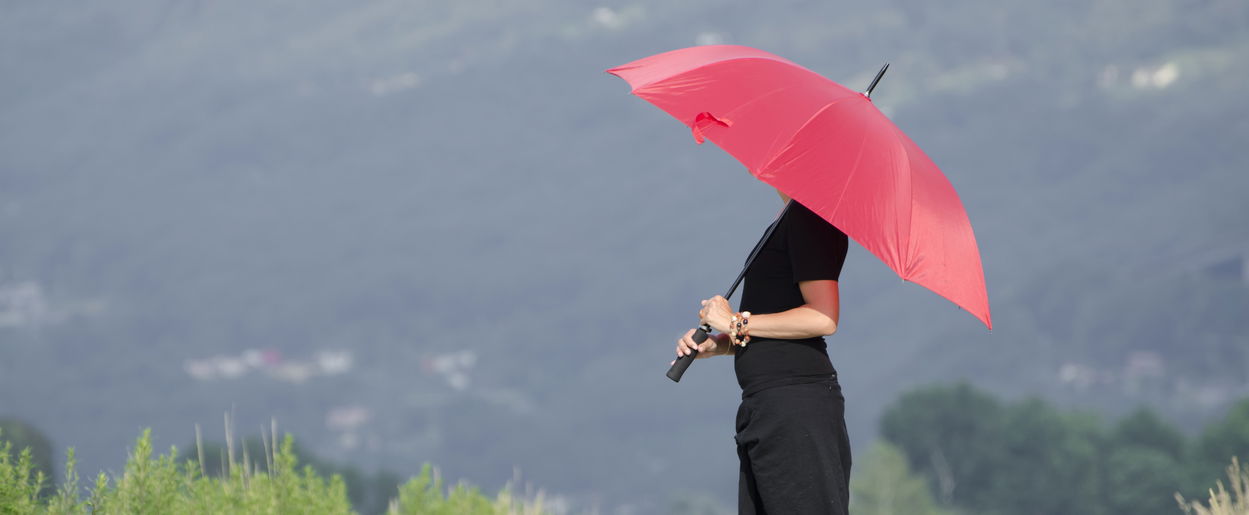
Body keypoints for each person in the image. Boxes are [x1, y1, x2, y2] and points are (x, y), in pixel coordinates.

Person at [674, 190, 851, 514]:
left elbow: (822, 318)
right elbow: (773, 325)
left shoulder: (810, 220)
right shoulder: (786, 221)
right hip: (766, 405)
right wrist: (720, 343)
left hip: (795, 406)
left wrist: (734, 321)